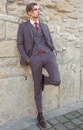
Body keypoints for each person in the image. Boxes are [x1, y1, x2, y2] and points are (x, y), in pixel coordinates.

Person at [17, 2, 61, 130]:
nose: (38, 11)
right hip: (34, 58)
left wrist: (53, 51)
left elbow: (50, 40)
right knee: (37, 88)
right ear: (29, 12)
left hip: (48, 55)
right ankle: (40, 115)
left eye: (38, 9)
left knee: (56, 80)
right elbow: (20, 44)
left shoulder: (45, 26)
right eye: (35, 10)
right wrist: (27, 59)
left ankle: (41, 79)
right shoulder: (23, 27)